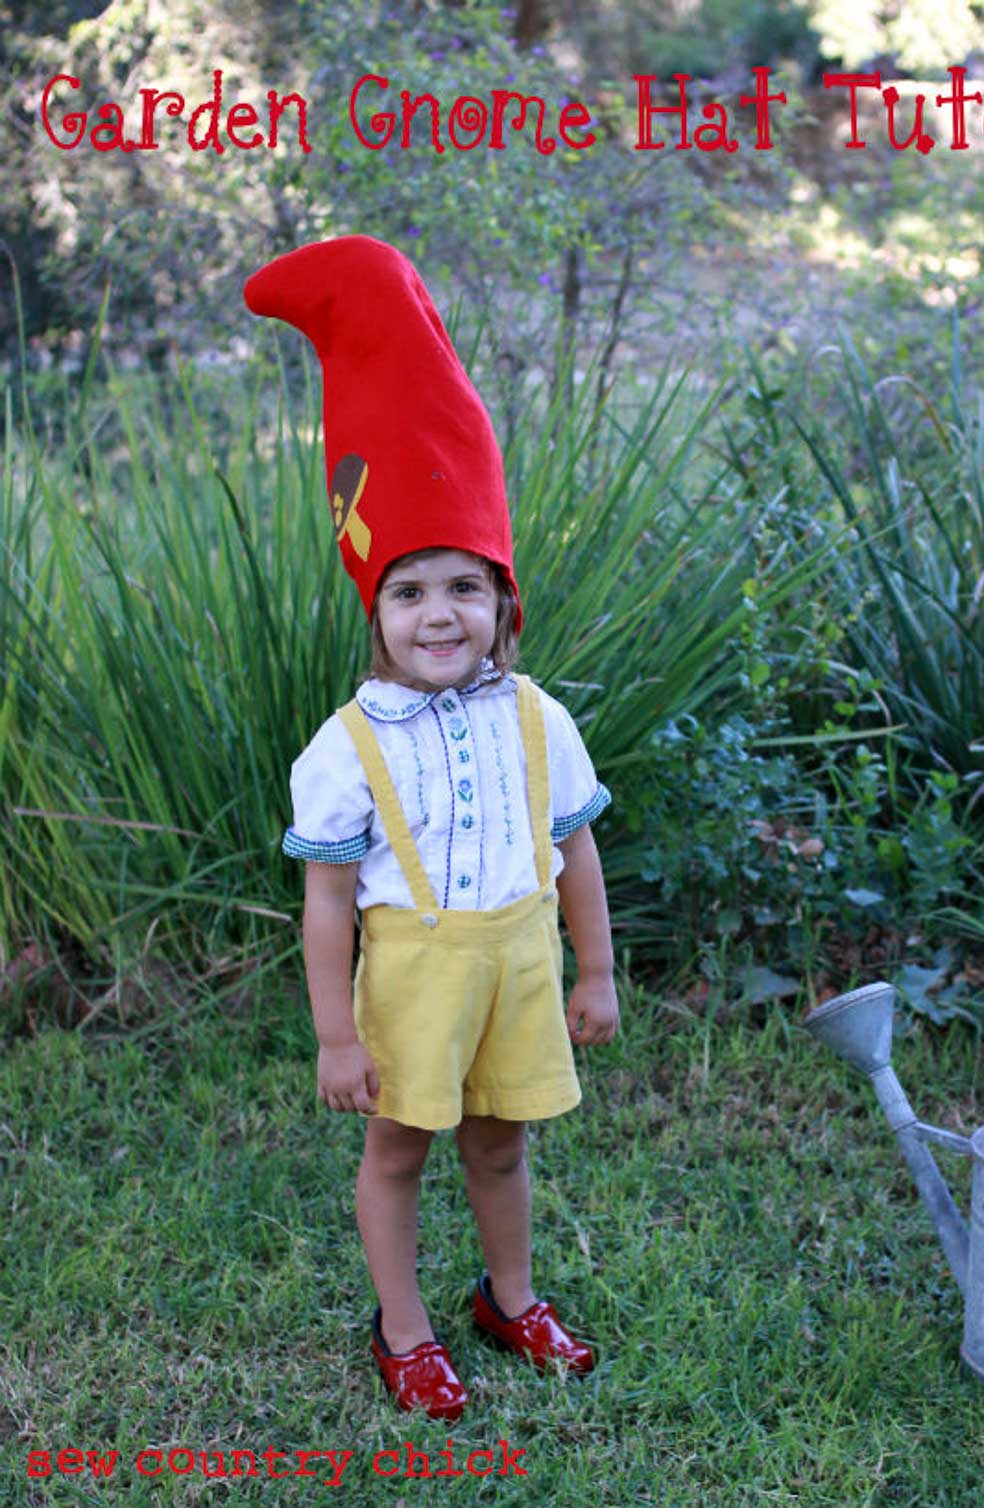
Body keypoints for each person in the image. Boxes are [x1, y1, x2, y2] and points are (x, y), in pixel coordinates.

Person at [244, 236, 619, 1423]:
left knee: (502, 1142)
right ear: (378, 609)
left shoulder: (537, 714)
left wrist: (595, 967)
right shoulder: (347, 745)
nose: (438, 612)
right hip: (412, 971)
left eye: (462, 584)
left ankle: (508, 1296)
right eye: (409, 590)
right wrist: (332, 1037)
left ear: (501, 600)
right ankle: (400, 1326)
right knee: (400, 1149)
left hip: (520, 957)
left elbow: (575, 848)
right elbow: (328, 902)